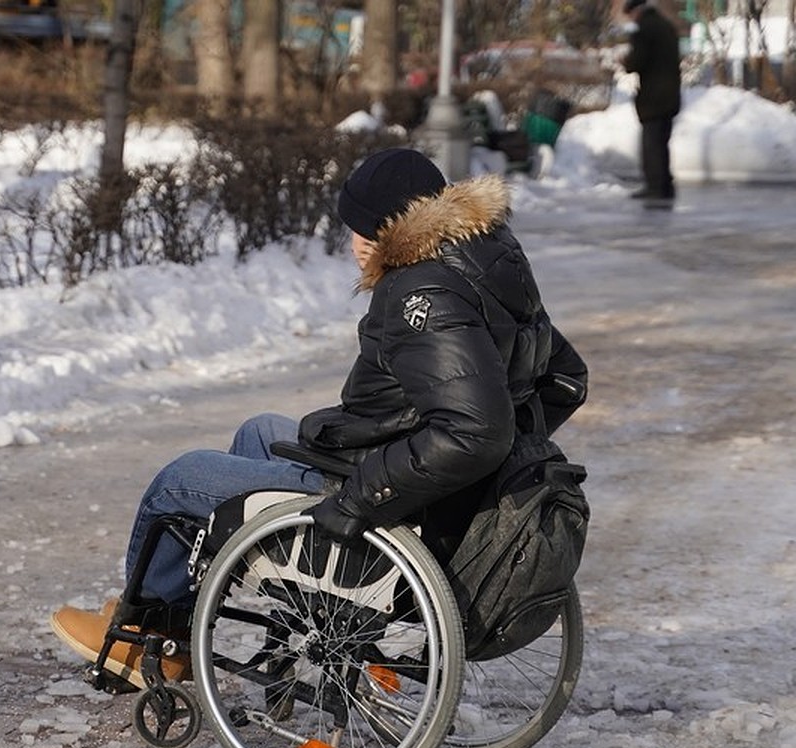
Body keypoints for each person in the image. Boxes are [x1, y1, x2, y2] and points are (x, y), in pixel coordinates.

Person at [51, 147, 588, 688]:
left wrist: (364, 496)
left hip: (387, 496)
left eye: (359, 229)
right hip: (411, 474)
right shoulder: (487, 265)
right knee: (259, 431)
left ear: (391, 228)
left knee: (179, 479)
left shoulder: (422, 292)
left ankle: (151, 635)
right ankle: (185, 613)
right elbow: (565, 378)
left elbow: (475, 432)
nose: (351, 244)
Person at [621, 0, 681, 208]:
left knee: (652, 145)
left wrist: (626, 60)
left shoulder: (645, 29)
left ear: (636, 11)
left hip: (653, 98)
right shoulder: (665, 25)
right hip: (670, 96)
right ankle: (665, 186)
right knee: (662, 144)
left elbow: (636, 62)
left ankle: (655, 187)